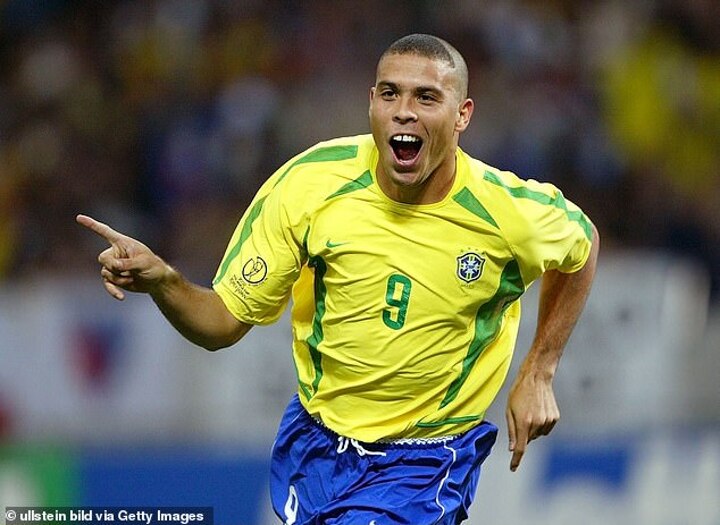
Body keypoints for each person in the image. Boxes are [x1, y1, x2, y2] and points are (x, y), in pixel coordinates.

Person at [78, 33, 599, 525]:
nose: (404, 111)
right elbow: (221, 323)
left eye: (426, 97)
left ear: (462, 114)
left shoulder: (504, 211)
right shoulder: (310, 186)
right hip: (314, 446)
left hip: (426, 459)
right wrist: (165, 281)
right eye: (390, 94)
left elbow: (582, 245)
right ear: (371, 102)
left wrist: (539, 369)